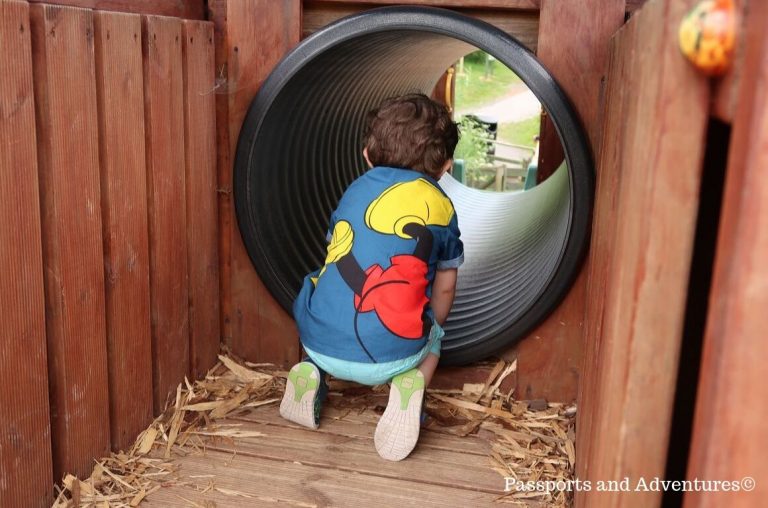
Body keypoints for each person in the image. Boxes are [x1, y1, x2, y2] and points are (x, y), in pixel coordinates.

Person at [280, 93, 463, 461]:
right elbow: (445, 284)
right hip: (396, 355)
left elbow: (337, 257)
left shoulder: (352, 190)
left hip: (317, 340)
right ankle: (411, 384)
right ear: (446, 166)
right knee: (433, 340)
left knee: (322, 285)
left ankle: (311, 371)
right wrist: (434, 328)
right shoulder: (441, 208)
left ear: (366, 155)